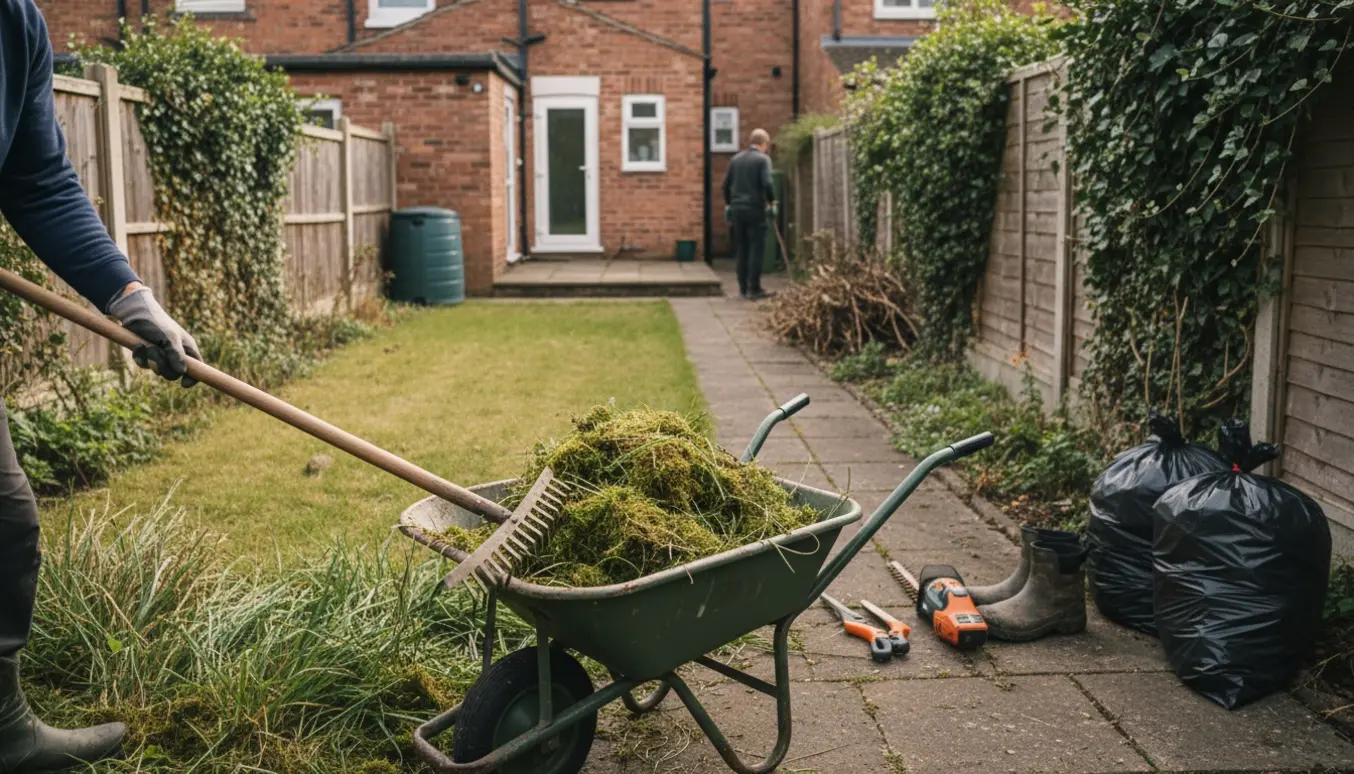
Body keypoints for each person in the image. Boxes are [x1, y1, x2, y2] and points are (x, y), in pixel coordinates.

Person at [1, 1, 201, 769]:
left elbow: (38, 178)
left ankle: (2, 729)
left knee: (4, 518)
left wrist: (127, 295)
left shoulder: (15, 23)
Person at [721, 128, 778, 300]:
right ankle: (754, 289)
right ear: (764, 144)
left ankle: (742, 287)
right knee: (756, 248)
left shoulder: (736, 159)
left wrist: (729, 204)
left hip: (737, 209)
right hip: (755, 209)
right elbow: (767, 183)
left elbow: (725, 186)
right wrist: (772, 201)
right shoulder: (763, 160)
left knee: (742, 248)